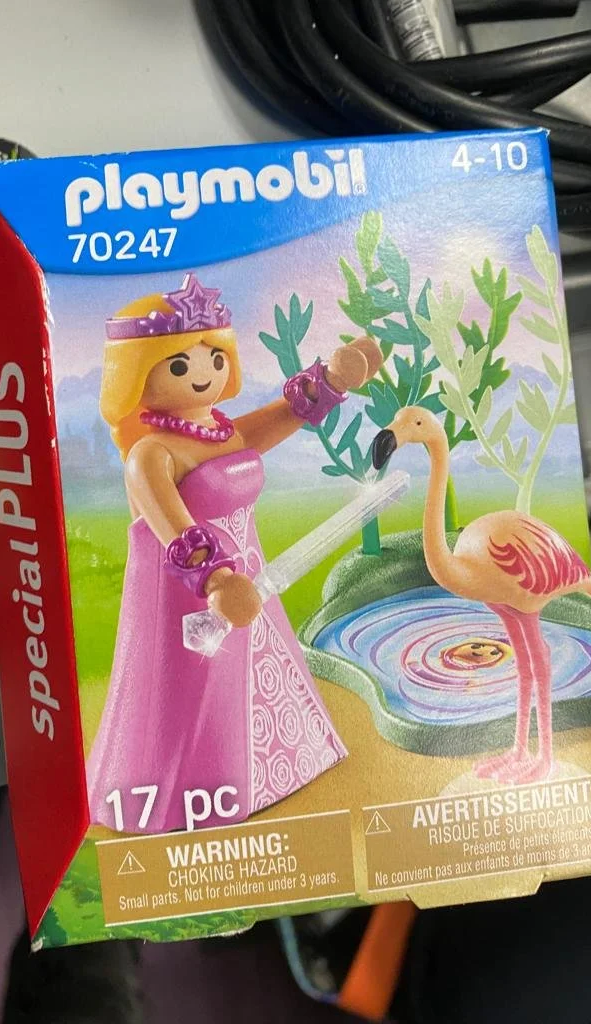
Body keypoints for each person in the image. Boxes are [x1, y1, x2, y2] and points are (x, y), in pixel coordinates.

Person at [86, 272, 381, 833]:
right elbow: (175, 531)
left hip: (248, 578)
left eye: (214, 358)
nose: (204, 373)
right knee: (195, 689)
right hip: (190, 595)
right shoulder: (150, 455)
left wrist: (332, 379)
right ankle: (193, 790)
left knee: (262, 672)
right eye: (180, 365)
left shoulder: (219, 431)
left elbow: (283, 416)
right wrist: (218, 581)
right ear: (136, 375)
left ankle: (273, 770)